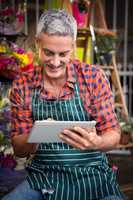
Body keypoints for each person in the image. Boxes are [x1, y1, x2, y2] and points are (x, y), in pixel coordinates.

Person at [2, 9, 126, 200]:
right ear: (37, 44)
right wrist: (39, 133)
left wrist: (98, 142)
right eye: (48, 53)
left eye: (63, 54)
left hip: (92, 176)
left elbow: (113, 135)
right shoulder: (23, 83)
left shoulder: (93, 77)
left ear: (73, 47)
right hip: (43, 177)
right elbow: (19, 148)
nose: (55, 62)